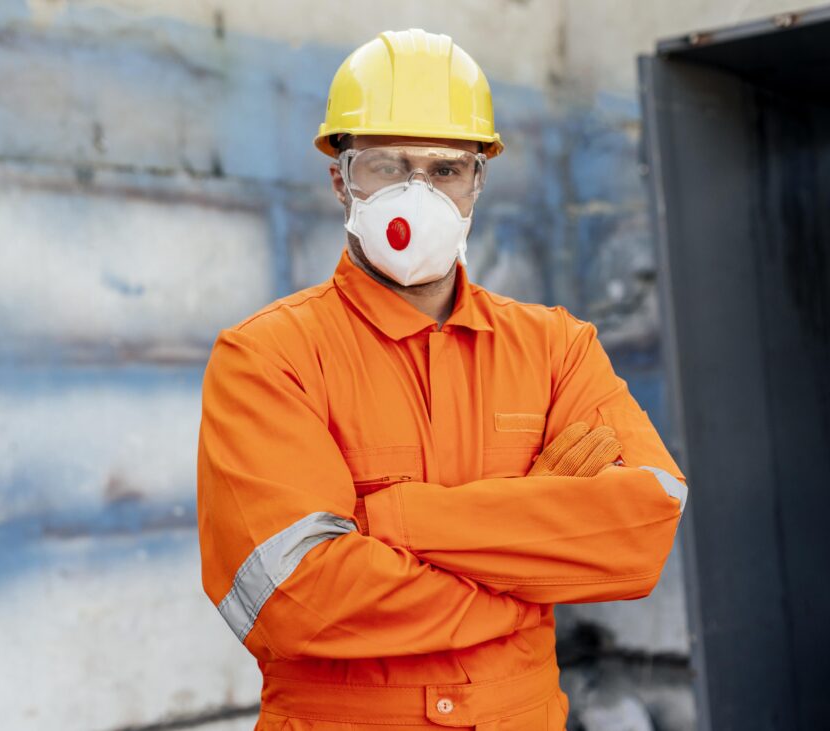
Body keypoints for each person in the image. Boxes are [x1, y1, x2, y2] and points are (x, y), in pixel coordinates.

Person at [197, 28, 687, 731]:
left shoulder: (557, 348)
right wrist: (527, 562)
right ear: (341, 179)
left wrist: (392, 519)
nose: (417, 194)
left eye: (446, 169)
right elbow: (298, 599)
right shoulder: (267, 358)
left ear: (476, 182)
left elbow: (638, 534)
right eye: (387, 166)